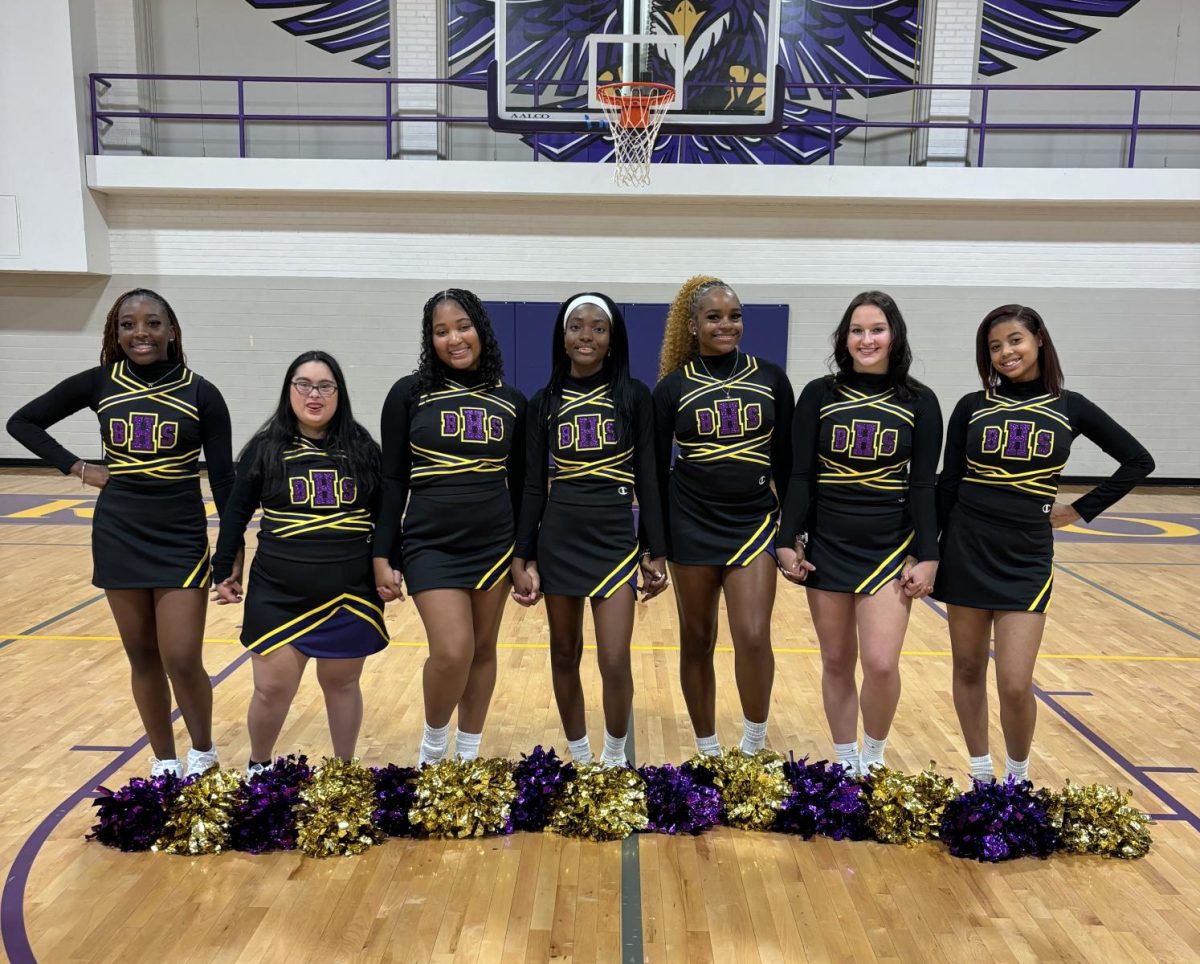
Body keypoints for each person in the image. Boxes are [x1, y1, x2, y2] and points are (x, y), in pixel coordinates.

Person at [7, 288, 233, 777]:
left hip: (180, 534)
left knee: (181, 656)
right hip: (119, 532)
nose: (141, 333)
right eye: (128, 324)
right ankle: (164, 759)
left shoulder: (202, 393)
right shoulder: (98, 383)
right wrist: (79, 469)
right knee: (142, 654)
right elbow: (21, 422)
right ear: (116, 332)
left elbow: (224, 480)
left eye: (152, 323)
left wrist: (230, 551)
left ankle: (203, 750)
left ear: (171, 330)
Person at [934, 305, 1154, 783]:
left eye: (1014, 340)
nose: (1005, 353)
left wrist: (1080, 510)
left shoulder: (1070, 406)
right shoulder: (972, 406)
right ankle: (980, 777)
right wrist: (927, 551)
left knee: (1014, 682)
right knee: (969, 670)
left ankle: (1017, 780)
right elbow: (948, 483)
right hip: (966, 547)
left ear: (1038, 341)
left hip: (1026, 556)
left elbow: (1138, 460)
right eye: (994, 347)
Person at [776, 292, 942, 776]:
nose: (866, 339)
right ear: (844, 338)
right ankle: (846, 763)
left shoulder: (920, 401)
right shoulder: (819, 394)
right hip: (827, 545)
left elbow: (924, 485)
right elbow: (800, 476)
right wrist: (788, 539)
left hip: (888, 547)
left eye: (877, 329)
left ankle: (874, 755)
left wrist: (928, 553)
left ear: (895, 336)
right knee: (836, 660)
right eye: (857, 330)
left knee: (882, 662)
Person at [510, 293, 668, 766]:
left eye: (598, 328)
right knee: (564, 653)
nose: (587, 336)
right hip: (559, 537)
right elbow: (533, 486)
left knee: (615, 659)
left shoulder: (634, 396)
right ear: (562, 337)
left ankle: (615, 758)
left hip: (615, 539)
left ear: (612, 339)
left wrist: (654, 548)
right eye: (577, 327)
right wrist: (524, 554)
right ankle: (580, 757)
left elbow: (649, 479)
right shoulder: (543, 403)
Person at [210, 351, 386, 774]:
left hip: (350, 591)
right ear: (288, 390)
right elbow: (236, 513)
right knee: (272, 688)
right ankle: (260, 770)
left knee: (341, 683)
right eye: (303, 384)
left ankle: (344, 773)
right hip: (279, 590)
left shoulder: (362, 449)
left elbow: (384, 518)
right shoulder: (265, 448)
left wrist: (390, 565)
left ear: (339, 394)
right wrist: (223, 568)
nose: (314, 394)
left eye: (325, 386)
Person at [373, 289, 526, 765]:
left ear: (481, 329)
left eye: (462, 326)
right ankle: (434, 750)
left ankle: (469, 753)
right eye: (441, 331)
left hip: (495, 545)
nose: (454, 339)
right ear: (429, 339)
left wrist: (524, 556)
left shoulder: (512, 401)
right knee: (452, 651)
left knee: (482, 650)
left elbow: (522, 486)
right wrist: (383, 551)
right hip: (430, 544)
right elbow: (393, 478)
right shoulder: (408, 394)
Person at [652, 276, 794, 757]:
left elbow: (788, 463)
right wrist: (652, 543)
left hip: (753, 522)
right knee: (697, 638)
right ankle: (708, 748)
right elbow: (650, 470)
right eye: (714, 317)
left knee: (753, 635)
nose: (726, 324)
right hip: (690, 523)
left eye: (734, 315)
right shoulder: (672, 389)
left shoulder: (771, 378)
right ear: (693, 325)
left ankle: (753, 747)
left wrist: (793, 532)